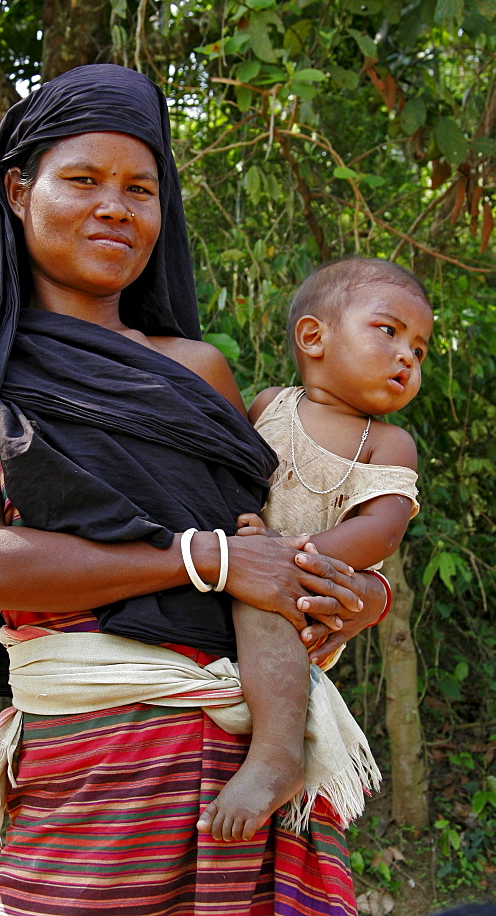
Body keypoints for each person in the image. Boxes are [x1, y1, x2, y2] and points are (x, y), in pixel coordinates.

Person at [0, 65, 388, 916]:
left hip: (253, 766)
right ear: (18, 192)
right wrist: (199, 560)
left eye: (140, 188)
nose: (116, 208)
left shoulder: (201, 370)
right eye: (83, 181)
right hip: (97, 774)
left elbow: (268, 545)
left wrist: (355, 593)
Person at [197, 258, 433, 844]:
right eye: (389, 331)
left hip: (316, 585)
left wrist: (293, 555)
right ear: (313, 337)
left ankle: (277, 754)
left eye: (421, 350)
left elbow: (382, 530)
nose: (407, 355)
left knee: (263, 595)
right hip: (249, 566)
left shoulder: (389, 443)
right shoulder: (269, 406)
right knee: (250, 588)